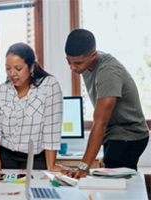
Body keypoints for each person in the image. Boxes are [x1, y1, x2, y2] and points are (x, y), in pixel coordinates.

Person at [63, 28, 149, 178]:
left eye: (77, 62)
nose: (72, 67)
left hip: (129, 134)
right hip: (115, 133)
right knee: (112, 183)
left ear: (93, 54)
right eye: (68, 61)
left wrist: (83, 167)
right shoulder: (87, 65)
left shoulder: (108, 71)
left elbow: (100, 122)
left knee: (115, 185)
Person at [0, 42, 64, 173]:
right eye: (8, 68)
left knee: (35, 191)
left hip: (36, 158)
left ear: (31, 67)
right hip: (5, 156)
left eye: (18, 68)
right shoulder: (0, 91)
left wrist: (51, 165)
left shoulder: (49, 86)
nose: (12, 74)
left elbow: (51, 127)